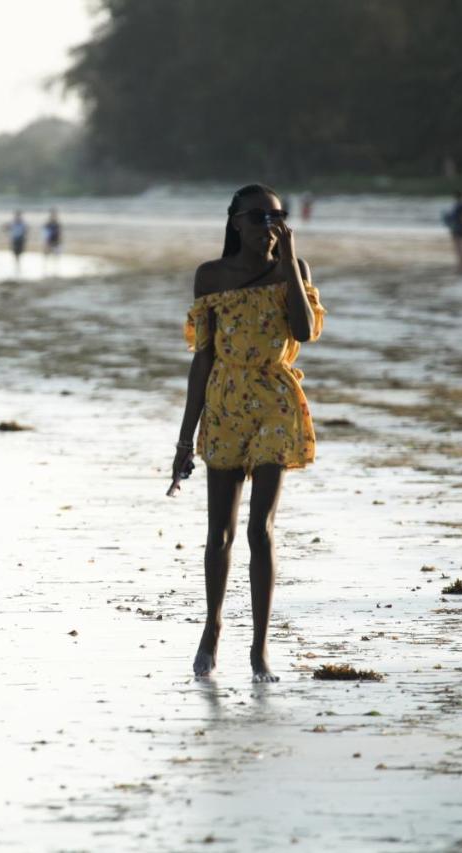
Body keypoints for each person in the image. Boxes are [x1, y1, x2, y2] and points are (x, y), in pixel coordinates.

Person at [173, 184, 326, 683]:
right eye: (259, 216)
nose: (269, 226)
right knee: (220, 533)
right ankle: (212, 627)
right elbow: (203, 359)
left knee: (261, 528)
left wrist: (291, 260)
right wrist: (182, 441)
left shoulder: (292, 272)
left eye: (277, 217)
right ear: (236, 222)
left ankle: (260, 648)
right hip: (224, 403)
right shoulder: (211, 277)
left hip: (275, 403)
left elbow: (303, 333)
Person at [443, 191, 462, 274]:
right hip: (459, 228)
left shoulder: (460, 206)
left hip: (458, 229)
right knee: (460, 248)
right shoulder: (461, 206)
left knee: (459, 248)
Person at [42, 208, 63, 273]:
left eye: (55, 215)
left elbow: (60, 233)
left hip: (56, 241)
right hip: (49, 241)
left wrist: (60, 240)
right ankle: (45, 268)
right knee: (47, 254)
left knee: (56, 255)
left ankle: (55, 268)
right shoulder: (47, 224)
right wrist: (45, 242)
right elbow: (45, 233)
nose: (54, 216)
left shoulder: (58, 224)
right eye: (53, 215)